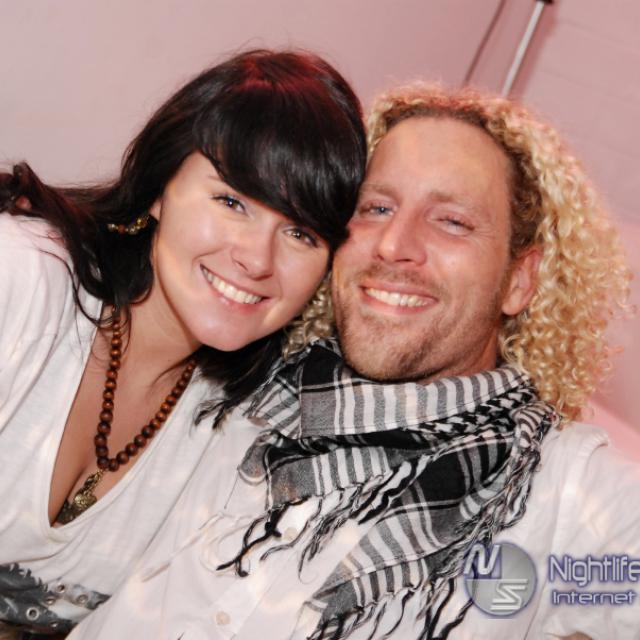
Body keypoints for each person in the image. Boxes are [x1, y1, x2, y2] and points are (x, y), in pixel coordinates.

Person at [69, 83, 637, 640]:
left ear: (519, 280)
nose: (393, 244)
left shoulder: (562, 495)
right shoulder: (241, 384)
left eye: (452, 221)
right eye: (376, 208)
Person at [0, 49, 366, 637]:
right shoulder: (20, 280)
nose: (257, 259)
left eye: (300, 233)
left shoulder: (240, 428)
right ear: (158, 188)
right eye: (232, 202)